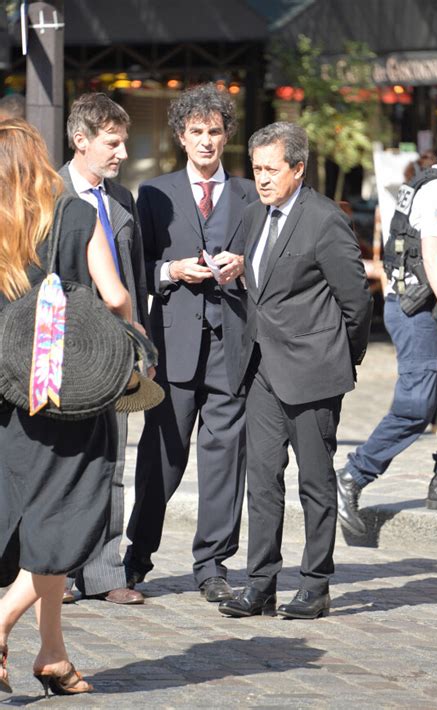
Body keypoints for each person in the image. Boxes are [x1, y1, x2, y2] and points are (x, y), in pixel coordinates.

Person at [218, 122, 372, 620]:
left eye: (271, 169)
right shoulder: (253, 215)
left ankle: (315, 583)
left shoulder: (325, 220)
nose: (261, 179)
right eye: (257, 168)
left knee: (315, 481)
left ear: (298, 169)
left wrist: (339, 360)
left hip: (313, 371)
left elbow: (356, 303)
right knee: (262, 479)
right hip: (262, 368)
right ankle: (260, 583)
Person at [0, 118, 131, 696]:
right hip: (69, 395)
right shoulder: (76, 214)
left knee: (40, 528)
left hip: (9, 396)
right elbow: (117, 294)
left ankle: (52, 653)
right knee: (72, 520)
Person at [124, 83, 257, 602]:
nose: (206, 141)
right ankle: (136, 557)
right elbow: (140, 270)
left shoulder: (249, 195)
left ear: (227, 136)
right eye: (197, 132)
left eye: (215, 132)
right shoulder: (155, 193)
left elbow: (265, 265)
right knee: (161, 457)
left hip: (232, 344)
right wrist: (170, 270)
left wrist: (244, 268)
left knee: (225, 458)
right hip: (173, 344)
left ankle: (213, 566)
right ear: (181, 136)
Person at [337, 113, 437, 538]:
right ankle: (353, 477)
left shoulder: (434, 183)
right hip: (419, 310)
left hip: (424, 308)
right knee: (417, 405)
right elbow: (432, 254)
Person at [59, 93, 151, 605]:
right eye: (112, 143)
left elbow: (130, 279)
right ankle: (58, 571)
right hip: (64, 353)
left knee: (112, 460)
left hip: (117, 351)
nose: (121, 153)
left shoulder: (121, 199)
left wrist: (139, 340)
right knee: (65, 461)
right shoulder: (46, 195)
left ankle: (104, 571)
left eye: (123, 142)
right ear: (81, 140)